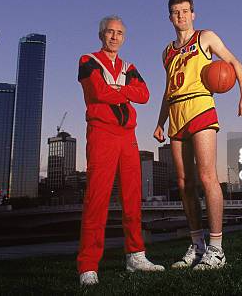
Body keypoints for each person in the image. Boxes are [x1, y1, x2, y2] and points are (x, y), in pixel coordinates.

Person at [153, 0, 242, 270]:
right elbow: (168, 89)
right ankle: (197, 246)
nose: (181, 16)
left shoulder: (205, 37)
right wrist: (160, 122)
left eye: (185, 11)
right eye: (175, 12)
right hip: (176, 113)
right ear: (170, 17)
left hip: (200, 107)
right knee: (185, 183)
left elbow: (234, 63)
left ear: (193, 14)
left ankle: (217, 249)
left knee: (208, 176)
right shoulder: (167, 52)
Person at [77, 15, 164, 286]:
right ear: (101, 34)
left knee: (132, 198)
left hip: (128, 136)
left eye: (119, 33)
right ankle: (88, 266)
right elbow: (98, 92)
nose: (114, 37)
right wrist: (126, 91)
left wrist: (118, 88)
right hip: (102, 133)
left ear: (124, 38)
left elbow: (146, 94)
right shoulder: (87, 60)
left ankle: (135, 255)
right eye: (110, 32)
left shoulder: (129, 66)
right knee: (97, 199)